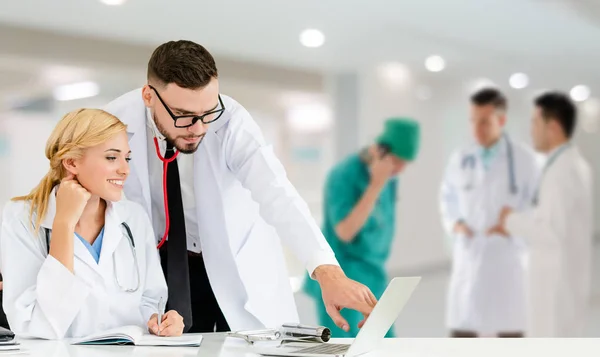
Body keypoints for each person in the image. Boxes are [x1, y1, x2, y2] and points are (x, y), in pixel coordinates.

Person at [103, 40, 376, 334]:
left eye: (207, 113)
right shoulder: (112, 122)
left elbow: (277, 193)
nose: (198, 128)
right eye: (183, 115)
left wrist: (326, 271)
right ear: (148, 96)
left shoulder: (231, 121)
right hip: (159, 266)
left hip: (231, 263)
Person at [0, 109, 184, 339]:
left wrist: (161, 322)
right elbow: (33, 324)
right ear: (71, 162)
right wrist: (64, 224)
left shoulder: (134, 218)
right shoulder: (21, 218)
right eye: (111, 157)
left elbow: (149, 299)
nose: (125, 169)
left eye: (126, 158)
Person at [304, 118, 420, 338]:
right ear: (380, 151)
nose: (400, 170)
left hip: (374, 275)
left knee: (384, 344)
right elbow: (345, 232)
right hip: (343, 277)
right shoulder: (344, 175)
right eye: (396, 161)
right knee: (346, 348)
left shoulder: (390, 177)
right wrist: (376, 185)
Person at [439, 88, 540, 337]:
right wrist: (456, 223)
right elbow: (447, 196)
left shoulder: (525, 159)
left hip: (507, 255)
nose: (476, 129)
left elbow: (538, 205)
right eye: (473, 120)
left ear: (501, 120)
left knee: (510, 334)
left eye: (484, 121)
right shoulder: (461, 158)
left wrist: (514, 222)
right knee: (463, 332)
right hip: (469, 252)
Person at [494, 92, 593, 337]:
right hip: (566, 285)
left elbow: (550, 232)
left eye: (534, 123)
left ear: (553, 127)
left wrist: (510, 220)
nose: (531, 131)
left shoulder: (561, 172)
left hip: (554, 290)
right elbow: (554, 219)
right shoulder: (572, 165)